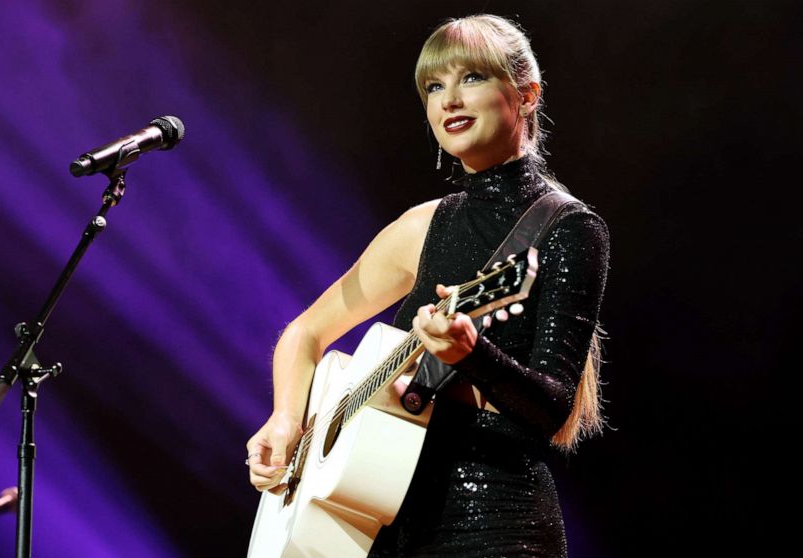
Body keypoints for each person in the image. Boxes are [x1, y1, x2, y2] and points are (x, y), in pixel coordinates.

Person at [246, 14, 609, 557]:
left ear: (527, 95)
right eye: (434, 87)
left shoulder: (569, 229)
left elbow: (552, 407)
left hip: (495, 524)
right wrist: (285, 420)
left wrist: (473, 354)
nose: (449, 100)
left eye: (472, 79)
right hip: (382, 529)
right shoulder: (421, 226)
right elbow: (304, 334)